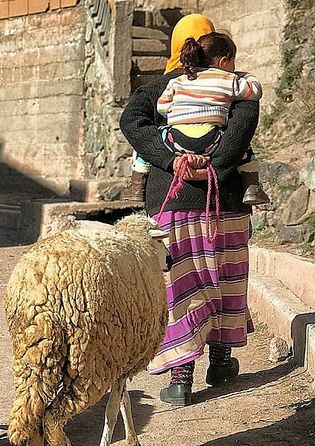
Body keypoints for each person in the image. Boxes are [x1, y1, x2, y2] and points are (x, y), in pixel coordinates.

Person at [119, 14, 256, 407]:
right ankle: (220, 360)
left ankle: (181, 378)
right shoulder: (234, 86)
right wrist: (214, 163)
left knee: (180, 286)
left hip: (170, 204)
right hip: (224, 201)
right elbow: (245, 124)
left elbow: (130, 121)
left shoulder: (160, 88)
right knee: (225, 279)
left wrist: (171, 159)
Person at [154, 32, 270, 206]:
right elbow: (255, 91)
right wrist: (245, 75)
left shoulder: (178, 81)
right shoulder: (229, 79)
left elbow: (161, 106)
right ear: (223, 62)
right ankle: (251, 186)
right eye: (233, 61)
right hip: (212, 141)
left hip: (176, 141)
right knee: (245, 148)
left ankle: (136, 182)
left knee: (152, 139)